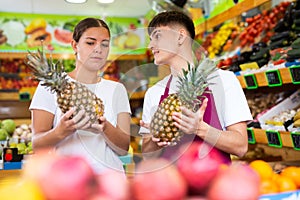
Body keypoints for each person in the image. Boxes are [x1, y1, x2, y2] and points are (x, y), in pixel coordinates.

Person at [139, 11, 253, 162]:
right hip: (172, 183)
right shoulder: (154, 93)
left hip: (215, 182)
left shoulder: (224, 81)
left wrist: (199, 128)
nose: (150, 45)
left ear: (180, 36)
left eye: (157, 36)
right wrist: (155, 139)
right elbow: (147, 154)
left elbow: (241, 146)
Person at [29, 18, 131, 174]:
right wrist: (61, 131)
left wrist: (104, 127)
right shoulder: (48, 88)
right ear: (75, 45)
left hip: (109, 179)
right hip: (67, 180)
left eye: (104, 44)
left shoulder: (117, 89)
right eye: (90, 43)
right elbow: (36, 144)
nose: (99, 49)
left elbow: (123, 149)